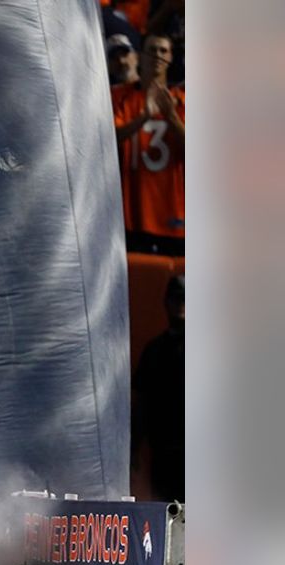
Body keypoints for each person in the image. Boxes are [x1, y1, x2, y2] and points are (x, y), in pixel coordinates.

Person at [112, 34, 185, 255]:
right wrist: (143, 116)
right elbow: (110, 139)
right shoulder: (119, 96)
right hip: (131, 214)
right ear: (140, 56)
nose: (157, 56)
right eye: (152, 50)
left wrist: (172, 117)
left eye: (163, 51)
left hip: (173, 212)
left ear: (171, 57)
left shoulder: (183, 100)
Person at [132, 275, 184, 502]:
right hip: (164, 452)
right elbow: (142, 401)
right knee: (167, 517)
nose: (181, 304)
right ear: (166, 302)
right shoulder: (155, 350)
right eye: (176, 298)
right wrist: (134, 447)